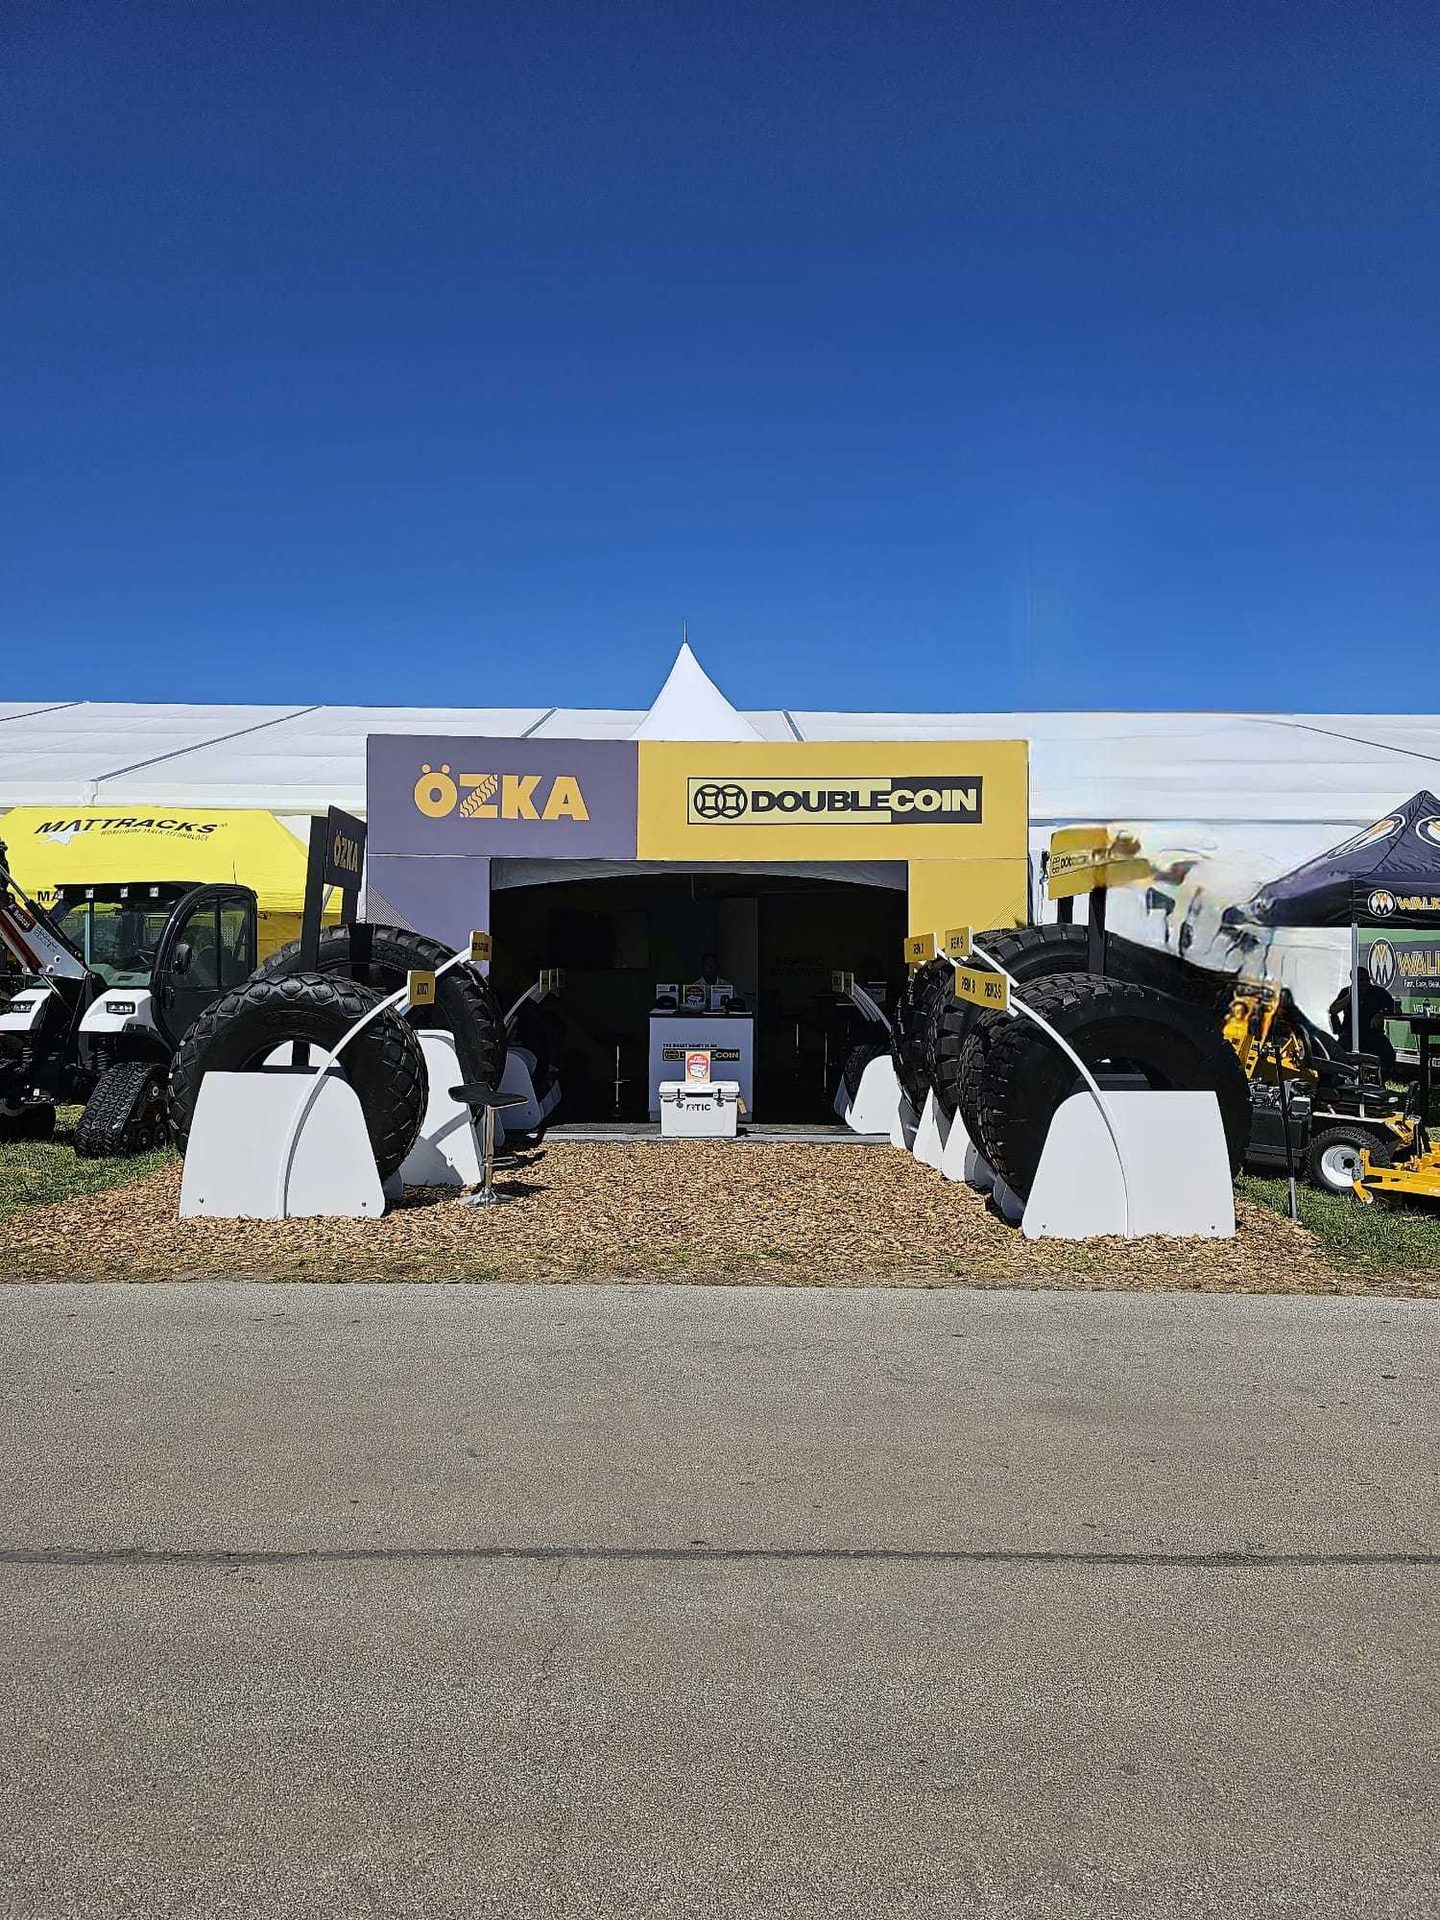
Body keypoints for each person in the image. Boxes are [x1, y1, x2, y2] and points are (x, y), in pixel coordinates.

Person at [1328, 966, 1398, 1077]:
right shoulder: (1346, 992)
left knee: (1387, 1053)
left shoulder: (1378, 992)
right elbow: (1333, 1010)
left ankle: (1380, 1078)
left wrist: (1381, 1013)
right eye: (1361, 980)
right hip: (1349, 1034)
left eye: (1367, 979)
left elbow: (1393, 1009)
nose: (1365, 983)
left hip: (1372, 1033)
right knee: (1338, 1054)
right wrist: (1350, 996)